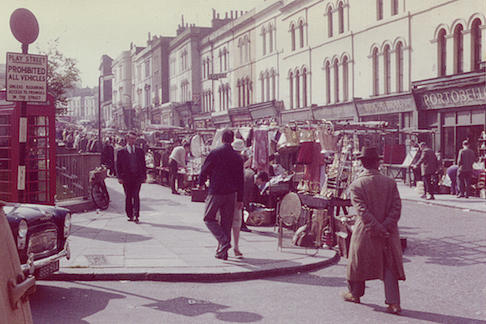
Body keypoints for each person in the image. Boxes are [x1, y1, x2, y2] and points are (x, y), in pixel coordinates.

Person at [342, 146, 405, 315]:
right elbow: (396, 208)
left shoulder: (356, 185)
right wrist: (385, 227)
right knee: (389, 265)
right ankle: (393, 303)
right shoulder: (390, 182)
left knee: (356, 263)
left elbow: (362, 211)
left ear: (362, 163)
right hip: (388, 233)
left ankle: (355, 294)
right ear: (378, 163)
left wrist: (377, 227)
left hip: (366, 232)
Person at [199, 129, 244, 260]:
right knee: (227, 223)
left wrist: (201, 182)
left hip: (216, 191)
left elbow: (204, 170)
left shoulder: (215, 152)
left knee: (208, 218)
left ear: (222, 139)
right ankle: (223, 253)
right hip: (231, 194)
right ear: (232, 140)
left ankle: (224, 242)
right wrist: (240, 198)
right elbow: (240, 179)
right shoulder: (237, 157)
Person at [116, 131, 147, 223]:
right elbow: (118, 165)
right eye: (131, 138)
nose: (133, 140)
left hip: (137, 177)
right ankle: (130, 214)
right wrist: (119, 177)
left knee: (136, 195)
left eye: (134, 139)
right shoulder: (121, 152)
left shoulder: (140, 151)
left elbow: (143, 164)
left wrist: (144, 176)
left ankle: (136, 214)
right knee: (128, 196)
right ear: (127, 139)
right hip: (126, 177)